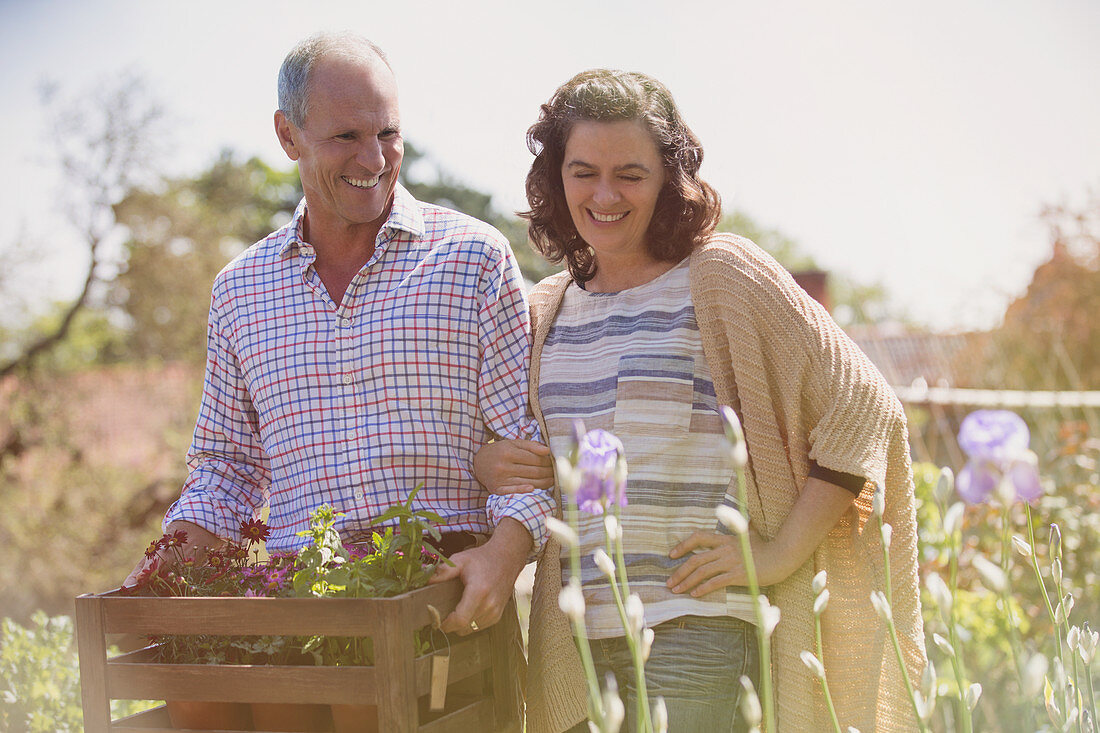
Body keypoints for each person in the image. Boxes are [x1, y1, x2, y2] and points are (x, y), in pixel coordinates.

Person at [481, 69, 926, 732]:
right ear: (555, 175)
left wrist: (776, 555)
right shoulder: (545, 308)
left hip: (699, 632)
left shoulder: (720, 276)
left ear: (669, 176)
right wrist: (493, 466)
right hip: (576, 639)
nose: (605, 194)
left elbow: (863, 407)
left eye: (630, 173)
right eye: (583, 171)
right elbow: (547, 465)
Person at [124, 31, 554, 638]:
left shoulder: (472, 258)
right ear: (287, 135)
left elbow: (525, 449)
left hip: (440, 589)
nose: (374, 161)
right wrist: (162, 573)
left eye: (387, 134)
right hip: (300, 597)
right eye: (346, 137)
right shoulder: (240, 291)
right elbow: (227, 467)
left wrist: (502, 557)